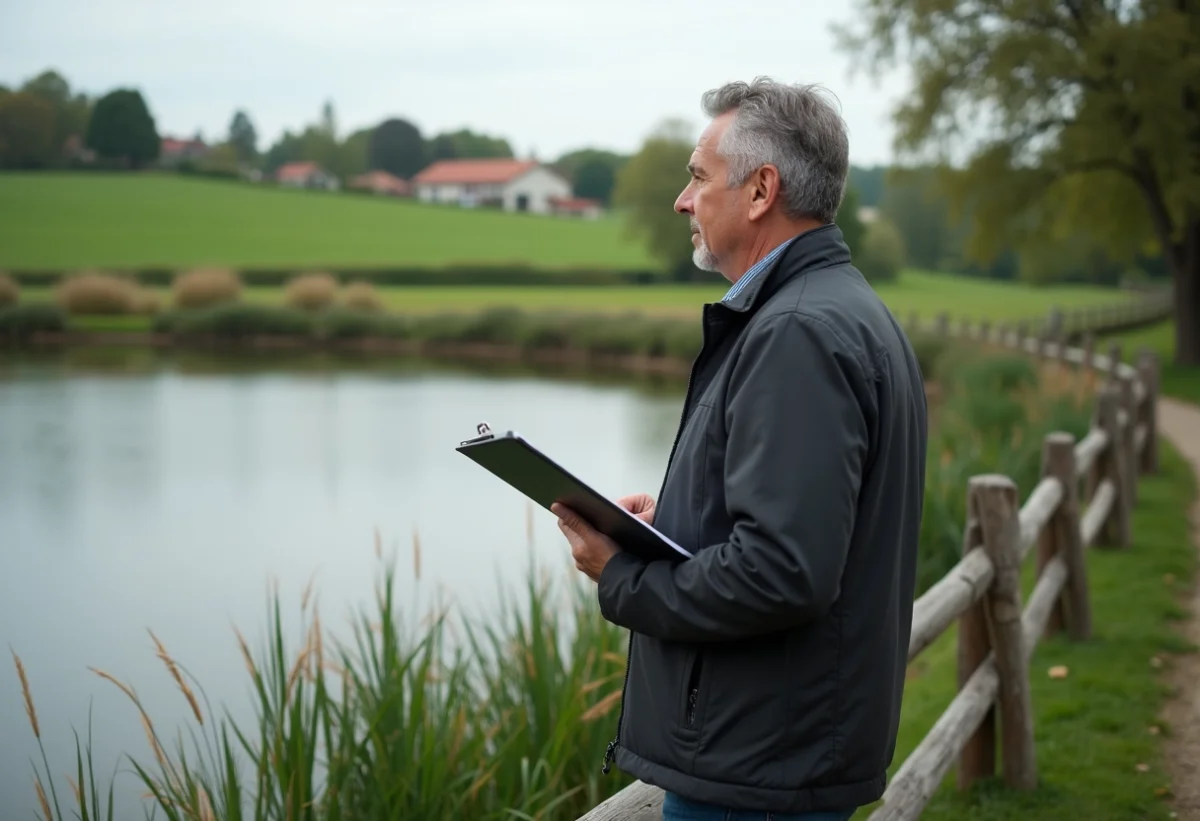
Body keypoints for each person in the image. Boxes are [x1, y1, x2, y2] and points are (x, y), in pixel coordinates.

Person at [552, 77, 928, 821]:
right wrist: (674, 521)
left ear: (760, 191)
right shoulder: (839, 308)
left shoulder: (797, 331)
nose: (681, 201)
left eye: (698, 176)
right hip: (780, 751)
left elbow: (781, 572)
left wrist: (621, 576)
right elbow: (807, 523)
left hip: (757, 770)